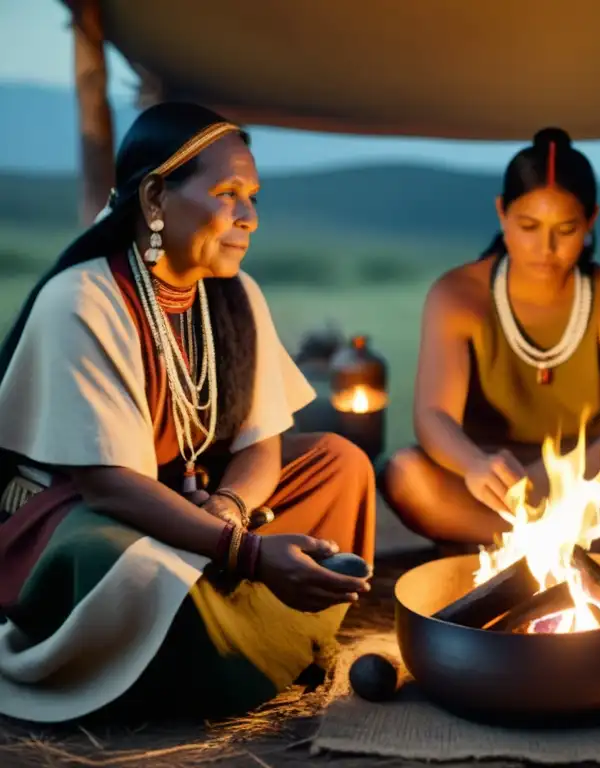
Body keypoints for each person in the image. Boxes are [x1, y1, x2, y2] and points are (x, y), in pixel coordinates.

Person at [0, 102, 376, 724]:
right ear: (154, 198)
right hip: (92, 518)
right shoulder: (83, 299)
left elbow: (262, 444)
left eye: (253, 196)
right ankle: (235, 636)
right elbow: (110, 486)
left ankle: (222, 614)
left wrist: (231, 511)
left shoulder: (236, 293)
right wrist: (247, 553)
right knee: (130, 569)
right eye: (230, 194)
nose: (250, 218)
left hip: (203, 506)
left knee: (342, 464)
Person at [381, 128, 600, 567]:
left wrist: (558, 477)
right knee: (405, 475)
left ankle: (487, 549)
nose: (545, 248)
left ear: (591, 220)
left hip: (587, 476)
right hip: (490, 483)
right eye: (528, 226)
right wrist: (474, 465)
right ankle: (596, 546)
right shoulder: (458, 294)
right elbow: (434, 415)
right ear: (501, 213)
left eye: (565, 230)